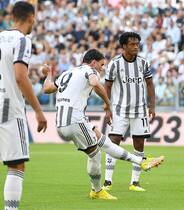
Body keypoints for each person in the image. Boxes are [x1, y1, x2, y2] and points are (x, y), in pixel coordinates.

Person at [42, 49, 164, 200]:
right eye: (101, 64)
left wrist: (48, 74)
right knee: (96, 153)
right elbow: (95, 83)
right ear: (93, 62)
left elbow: (47, 89)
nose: (102, 68)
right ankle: (97, 191)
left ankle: (141, 162)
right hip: (74, 120)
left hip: (62, 122)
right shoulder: (89, 70)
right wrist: (108, 103)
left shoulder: (68, 72)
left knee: (103, 141)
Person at [0, 2, 47, 210]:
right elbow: (20, 76)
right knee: (16, 164)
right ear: (32, 18)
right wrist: (38, 111)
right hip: (8, 106)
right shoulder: (23, 40)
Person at [103, 32, 156, 192]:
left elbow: (150, 84)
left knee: (139, 144)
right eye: (132, 44)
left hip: (140, 110)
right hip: (120, 110)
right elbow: (107, 86)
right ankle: (107, 181)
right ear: (124, 46)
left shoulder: (143, 63)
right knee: (114, 142)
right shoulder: (115, 64)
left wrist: (152, 106)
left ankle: (134, 182)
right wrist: (107, 109)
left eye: (137, 44)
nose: (136, 47)